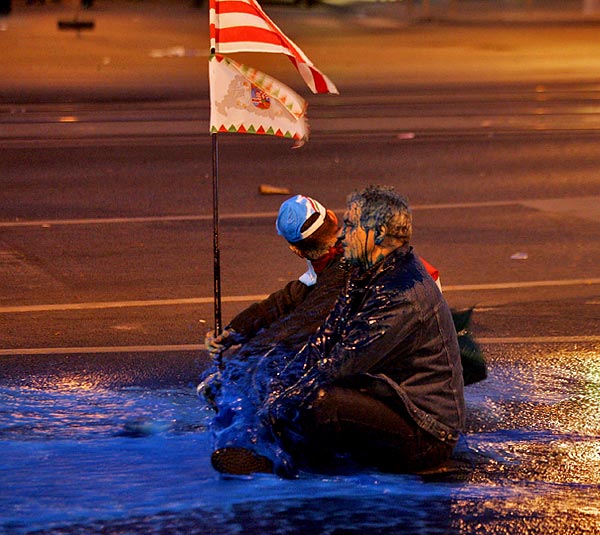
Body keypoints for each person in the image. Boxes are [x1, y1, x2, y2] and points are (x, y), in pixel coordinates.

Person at [209, 186, 466, 477]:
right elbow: (325, 336)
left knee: (318, 402)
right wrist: (275, 381)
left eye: (351, 226)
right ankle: (301, 451)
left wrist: (280, 396)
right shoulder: (365, 272)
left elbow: (344, 361)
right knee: (298, 393)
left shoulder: (400, 291)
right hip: (390, 396)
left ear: (378, 234)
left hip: (427, 431)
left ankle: (289, 467)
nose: (342, 236)